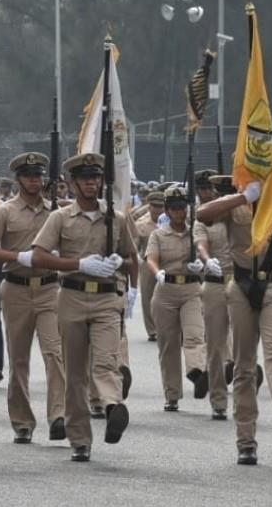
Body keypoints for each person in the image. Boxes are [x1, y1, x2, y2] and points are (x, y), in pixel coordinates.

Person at [196, 174, 272, 467]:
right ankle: (246, 441)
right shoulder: (235, 207)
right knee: (244, 366)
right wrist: (242, 197)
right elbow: (203, 214)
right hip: (241, 287)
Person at [30, 152, 137, 462]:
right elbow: (38, 256)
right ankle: (79, 438)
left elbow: (131, 256)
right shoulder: (60, 218)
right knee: (74, 373)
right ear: (72, 184)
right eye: (85, 179)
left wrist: (128, 280)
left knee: (106, 359)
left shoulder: (116, 218)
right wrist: (77, 263)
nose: (92, 183)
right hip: (72, 296)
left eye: (96, 178)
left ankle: (113, 405)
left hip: (106, 298)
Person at [0, 152, 66, 445]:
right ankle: (21, 420)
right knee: (19, 359)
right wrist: (18, 256)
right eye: (30, 176)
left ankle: (58, 415)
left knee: (55, 353)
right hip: (16, 287)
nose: (36, 181)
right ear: (19, 179)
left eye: (39, 175)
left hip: (49, 288)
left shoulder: (57, 211)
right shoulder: (5, 212)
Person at [146, 185, 208, 411]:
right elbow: (151, 258)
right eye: (173, 208)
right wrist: (157, 272)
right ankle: (172, 394)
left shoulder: (196, 231)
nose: (178, 213)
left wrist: (201, 265)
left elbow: (204, 253)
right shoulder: (158, 234)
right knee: (168, 345)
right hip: (165, 291)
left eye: (182, 208)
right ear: (167, 210)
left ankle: (197, 372)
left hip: (191, 289)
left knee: (194, 334)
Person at [193, 171, 236, 420]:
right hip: (216, 282)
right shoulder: (207, 218)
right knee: (216, 346)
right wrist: (207, 261)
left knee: (243, 346)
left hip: (241, 282)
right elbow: (200, 244)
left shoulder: (246, 218)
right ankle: (219, 400)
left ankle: (242, 395)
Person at [135, 190, 165, 341]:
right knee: (148, 296)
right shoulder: (141, 224)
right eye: (155, 206)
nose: (158, 209)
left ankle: (167, 326)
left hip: (167, 260)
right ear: (149, 207)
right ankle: (152, 330)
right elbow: (135, 245)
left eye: (161, 206)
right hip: (147, 261)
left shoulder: (169, 221)